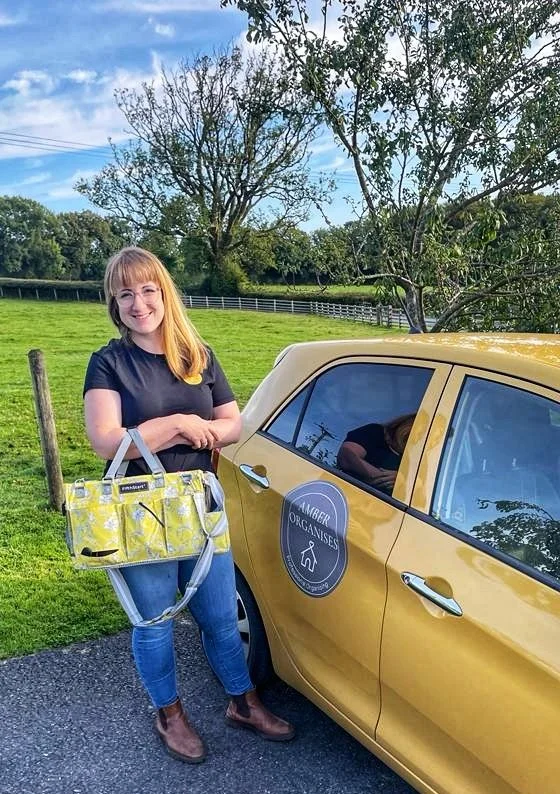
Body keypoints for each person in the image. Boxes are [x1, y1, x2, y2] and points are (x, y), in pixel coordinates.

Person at [83, 246, 294, 764]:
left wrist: (199, 429)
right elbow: (106, 441)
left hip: (201, 505)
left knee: (220, 616)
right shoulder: (109, 363)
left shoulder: (198, 355)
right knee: (154, 621)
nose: (138, 304)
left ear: (165, 294)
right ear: (114, 303)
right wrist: (178, 424)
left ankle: (242, 702)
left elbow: (233, 425)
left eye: (147, 290)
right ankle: (170, 714)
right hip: (142, 512)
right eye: (125, 294)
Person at [337, 413, 416, 494]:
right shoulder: (376, 432)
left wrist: (404, 481)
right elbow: (347, 457)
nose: (417, 440)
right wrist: (385, 479)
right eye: (416, 433)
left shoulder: (414, 462)